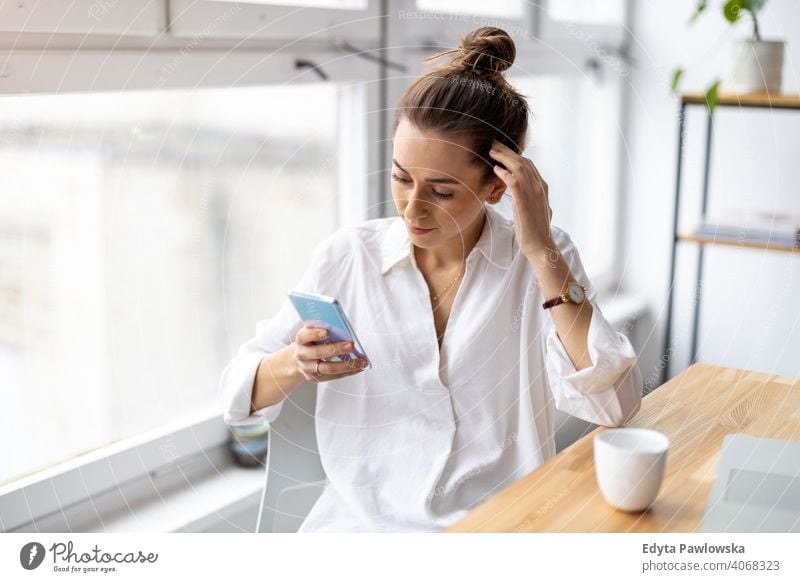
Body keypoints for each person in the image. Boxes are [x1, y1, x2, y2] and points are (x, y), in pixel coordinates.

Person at [218, 26, 643, 532]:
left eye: (441, 190)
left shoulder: (540, 261)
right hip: (361, 533)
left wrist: (540, 248)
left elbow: (614, 405)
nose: (412, 207)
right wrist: (294, 363)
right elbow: (235, 395)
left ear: (495, 186)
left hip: (498, 529)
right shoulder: (348, 258)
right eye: (401, 177)